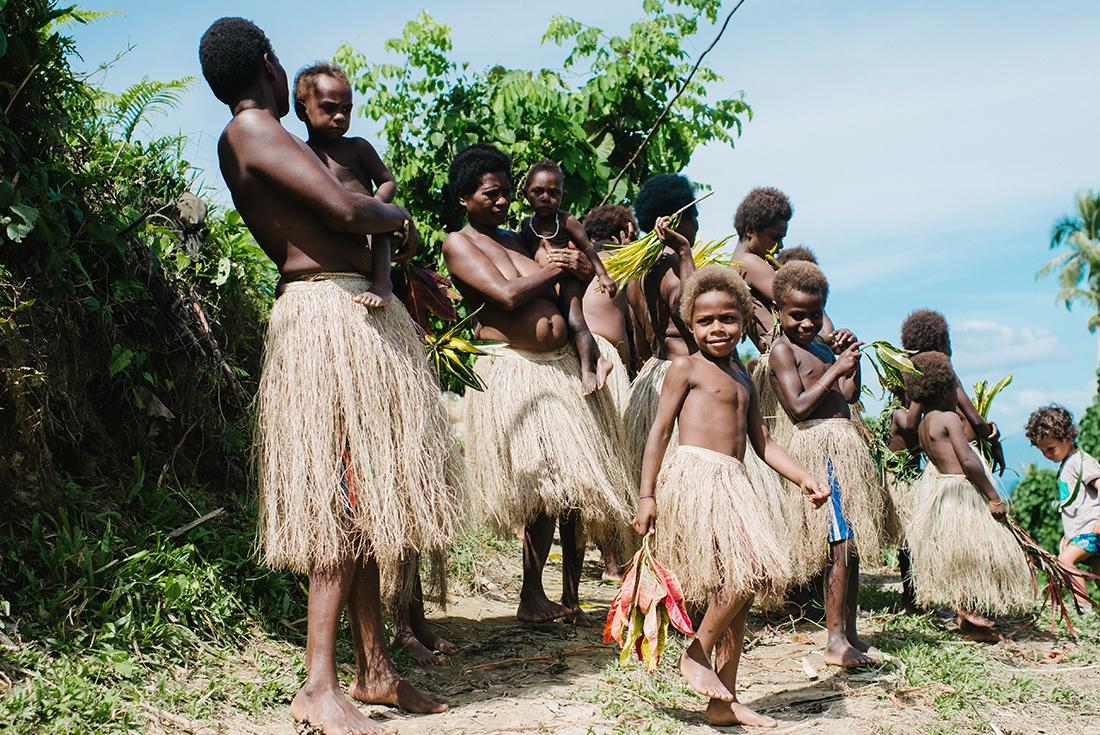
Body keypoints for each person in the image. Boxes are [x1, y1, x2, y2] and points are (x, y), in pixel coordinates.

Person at [199, 18, 462, 733]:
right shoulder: (252, 127)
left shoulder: (266, 133)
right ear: (266, 63)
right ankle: (319, 682)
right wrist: (398, 211)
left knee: (367, 494)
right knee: (342, 494)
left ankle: (374, 670)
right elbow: (350, 208)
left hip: (351, 308)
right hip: (325, 314)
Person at [442, 143, 632, 626]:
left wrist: (581, 269)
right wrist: (555, 267)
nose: (504, 202)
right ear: (464, 197)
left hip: (559, 368)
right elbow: (505, 296)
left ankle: (569, 598)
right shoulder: (458, 244)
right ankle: (531, 595)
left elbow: (567, 280)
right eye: (492, 194)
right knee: (542, 486)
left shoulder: (519, 237)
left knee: (574, 488)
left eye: (507, 193)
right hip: (514, 370)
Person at [632, 265, 828, 728]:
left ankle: (725, 700)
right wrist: (646, 495)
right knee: (749, 573)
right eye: (704, 321)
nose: (716, 329)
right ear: (689, 323)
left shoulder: (743, 374)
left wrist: (803, 478)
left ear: (743, 319)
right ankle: (697, 653)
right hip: (698, 477)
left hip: (735, 481)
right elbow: (659, 432)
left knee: (739, 593)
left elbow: (764, 443)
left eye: (726, 319)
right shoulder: (686, 368)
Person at [765, 261, 884, 667]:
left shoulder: (820, 347)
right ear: (777, 309)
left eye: (815, 314)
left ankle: (850, 634)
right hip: (817, 450)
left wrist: (852, 357)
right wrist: (835, 369)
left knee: (851, 547)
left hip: (845, 449)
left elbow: (849, 395)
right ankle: (834, 639)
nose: (806, 322)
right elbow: (797, 406)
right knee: (839, 543)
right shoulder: (782, 350)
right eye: (797, 314)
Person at [905, 352, 1032, 638]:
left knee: (962, 558)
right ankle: (971, 615)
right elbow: (968, 460)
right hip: (963, 493)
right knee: (977, 555)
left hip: (942, 493)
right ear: (946, 390)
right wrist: (992, 496)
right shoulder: (949, 418)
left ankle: (968, 621)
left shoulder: (925, 422)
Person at [293, 62, 400, 308]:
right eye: (329, 108)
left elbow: (387, 180)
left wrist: (377, 205)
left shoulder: (357, 147)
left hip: (367, 224)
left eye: (347, 109)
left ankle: (383, 284)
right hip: (332, 231)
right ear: (302, 111)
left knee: (380, 229)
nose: (340, 116)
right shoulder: (300, 155)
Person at [623, 174, 702, 480]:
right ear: (678, 221)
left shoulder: (637, 272)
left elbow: (641, 345)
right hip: (684, 381)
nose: (697, 226)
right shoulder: (670, 262)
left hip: (655, 374)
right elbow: (689, 314)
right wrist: (684, 253)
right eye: (694, 217)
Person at [520, 160, 617, 395]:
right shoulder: (526, 225)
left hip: (569, 278)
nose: (545, 197)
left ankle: (588, 370)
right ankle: (601, 359)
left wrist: (603, 276)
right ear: (526, 194)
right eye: (538, 192)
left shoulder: (566, 221)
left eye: (553, 193)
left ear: (563, 196)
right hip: (546, 284)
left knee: (575, 321)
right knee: (565, 320)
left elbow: (589, 249)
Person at [582, 204, 640, 581]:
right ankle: (614, 562)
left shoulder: (583, 262)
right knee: (615, 462)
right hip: (606, 363)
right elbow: (635, 319)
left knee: (599, 461)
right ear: (620, 233)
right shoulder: (620, 260)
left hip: (582, 361)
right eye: (631, 231)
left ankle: (611, 561)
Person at [899, 309, 1005, 475]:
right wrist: (993, 438)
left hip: (941, 467)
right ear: (941, 344)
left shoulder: (915, 377)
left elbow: (911, 424)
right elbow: (976, 421)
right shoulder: (947, 375)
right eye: (949, 343)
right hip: (965, 461)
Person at [730, 188, 834, 352]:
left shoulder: (736, 265)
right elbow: (827, 335)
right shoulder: (748, 262)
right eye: (775, 237)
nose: (780, 246)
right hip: (793, 358)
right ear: (750, 230)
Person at [1025, 404, 1100, 604]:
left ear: (1067, 438)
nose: (1048, 455)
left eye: (1051, 448)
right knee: (1097, 572)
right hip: (1082, 532)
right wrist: (1068, 536)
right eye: (1043, 451)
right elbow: (1074, 507)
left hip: (1092, 530)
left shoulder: (1080, 462)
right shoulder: (1069, 463)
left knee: (1065, 561)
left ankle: (1084, 613)